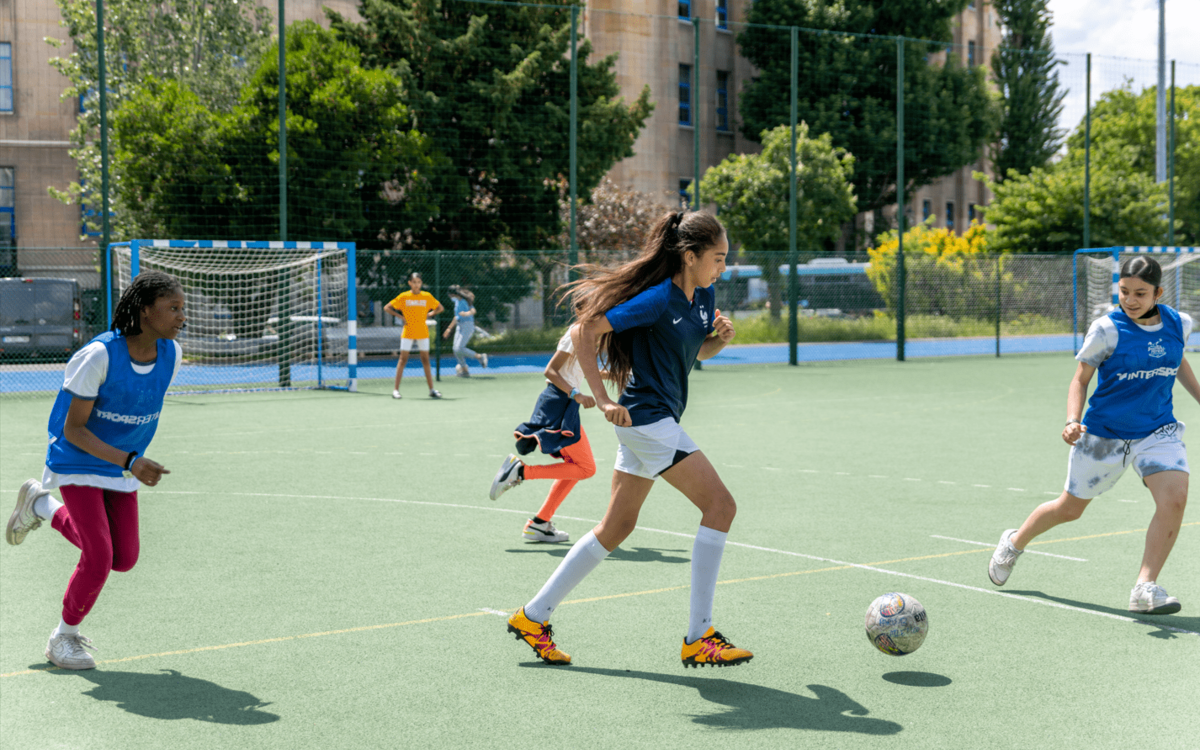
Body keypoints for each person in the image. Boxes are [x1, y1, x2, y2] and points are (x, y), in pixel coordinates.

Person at [505, 210, 751, 668]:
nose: (723, 268)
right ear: (690, 255)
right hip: (647, 421)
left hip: (650, 422)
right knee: (721, 507)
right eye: (717, 258)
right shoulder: (657, 298)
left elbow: (692, 352)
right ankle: (699, 637)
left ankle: (532, 617)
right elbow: (584, 331)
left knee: (617, 527)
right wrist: (600, 398)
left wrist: (719, 340)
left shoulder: (704, 296)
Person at [989, 256, 1197, 614]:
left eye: (1140, 294)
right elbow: (1080, 379)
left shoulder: (1180, 324)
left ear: (1159, 293)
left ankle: (1144, 588)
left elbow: (1176, 361)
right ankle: (1015, 541)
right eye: (1124, 291)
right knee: (1069, 510)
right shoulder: (1107, 329)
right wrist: (1072, 419)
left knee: (1175, 499)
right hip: (1104, 436)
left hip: (1157, 430)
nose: (1130, 300)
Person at [5, 271, 183, 670]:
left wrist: (130, 460)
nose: (180, 317)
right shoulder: (98, 356)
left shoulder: (172, 355)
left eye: (181, 308)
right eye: (172, 308)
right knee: (100, 557)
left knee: (125, 558)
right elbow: (74, 428)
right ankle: (62, 638)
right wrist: (130, 461)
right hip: (78, 457)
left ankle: (41, 507)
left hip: (121, 465)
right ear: (144, 311)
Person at [489, 323, 600, 544]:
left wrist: (626, 374)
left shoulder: (589, 335)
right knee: (586, 469)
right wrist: (575, 394)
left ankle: (539, 524)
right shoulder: (575, 333)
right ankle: (521, 471)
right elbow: (550, 370)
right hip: (559, 402)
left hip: (564, 404)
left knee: (575, 468)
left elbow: (586, 372)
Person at [384, 272, 443, 399]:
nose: (417, 285)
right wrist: (401, 317)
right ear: (410, 283)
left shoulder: (426, 296)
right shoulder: (404, 296)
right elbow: (387, 307)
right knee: (403, 359)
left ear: (421, 283)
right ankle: (396, 390)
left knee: (425, 360)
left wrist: (430, 314)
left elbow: (440, 308)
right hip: (408, 332)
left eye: (419, 282)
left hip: (422, 332)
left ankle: (431, 390)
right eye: (414, 282)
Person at [442, 285, 488, 377]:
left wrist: (466, 313)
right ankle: (464, 370)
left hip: (467, 325)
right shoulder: (457, 302)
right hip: (460, 325)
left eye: (450, 296)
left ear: (454, 294)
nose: (450, 298)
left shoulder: (463, 302)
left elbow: (473, 310)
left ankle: (480, 357)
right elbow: (456, 317)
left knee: (460, 348)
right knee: (455, 349)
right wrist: (449, 329)